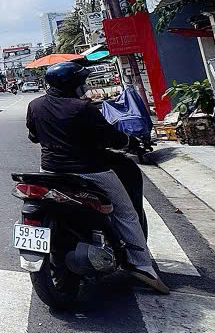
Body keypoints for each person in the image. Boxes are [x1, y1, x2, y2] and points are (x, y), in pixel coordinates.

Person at [26, 62, 167, 294]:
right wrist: (130, 143)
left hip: (50, 171)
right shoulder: (82, 108)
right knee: (125, 212)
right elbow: (111, 137)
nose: (84, 86)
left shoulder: (35, 105)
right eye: (81, 82)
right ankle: (142, 266)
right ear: (73, 84)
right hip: (89, 171)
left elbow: (33, 136)